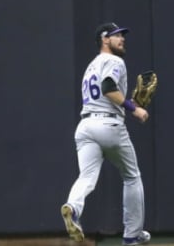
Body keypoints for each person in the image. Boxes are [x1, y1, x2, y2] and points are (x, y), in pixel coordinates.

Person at [61, 22, 151, 246]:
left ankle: (72, 207)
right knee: (132, 176)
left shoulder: (91, 66)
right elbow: (109, 87)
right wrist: (135, 108)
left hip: (85, 127)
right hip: (109, 126)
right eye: (116, 35)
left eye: (122, 35)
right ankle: (132, 234)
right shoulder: (114, 60)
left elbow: (105, 92)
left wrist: (131, 101)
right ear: (104, 39)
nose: (122, 39)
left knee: (86, 177)